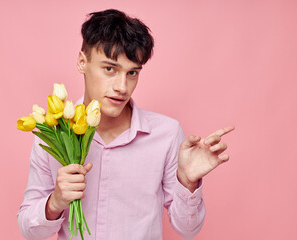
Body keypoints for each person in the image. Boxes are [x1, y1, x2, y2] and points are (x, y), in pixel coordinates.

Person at [17, 9, 234, 240]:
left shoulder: (167, 134)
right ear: (82, 61)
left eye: (132, 73)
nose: (122, 87)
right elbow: (30, 231)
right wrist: (55, 202)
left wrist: (188, 183)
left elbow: (188, 230)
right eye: (110, 69)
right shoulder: (53, 134)